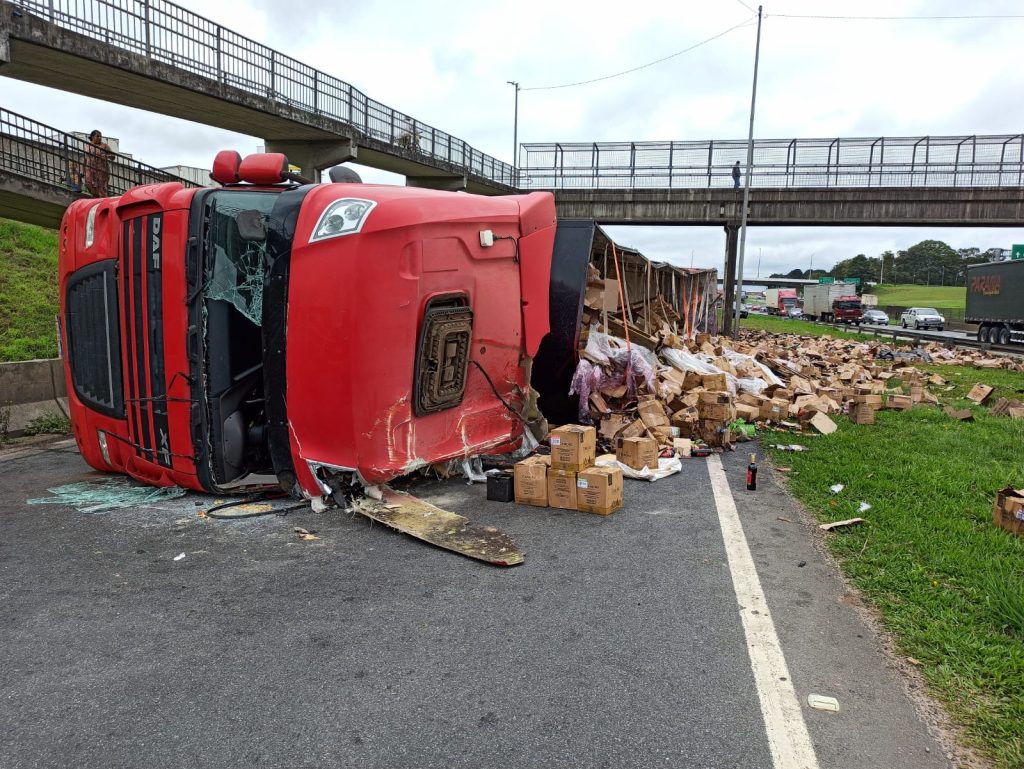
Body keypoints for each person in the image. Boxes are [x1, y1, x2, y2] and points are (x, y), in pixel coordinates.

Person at [83, 129, 115, 197]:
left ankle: (102, 199)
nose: (100, 138)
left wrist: (106, 156)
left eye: (100, 136)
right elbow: (85, 157)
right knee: (88, 182)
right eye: (97, 136)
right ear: (92, 137)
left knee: (101, 186)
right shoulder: (87, 145)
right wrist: (83, 167)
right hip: (90, 168)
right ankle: (96, 196)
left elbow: (113, 156)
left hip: (102, 170)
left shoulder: (104, 146)